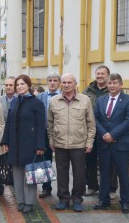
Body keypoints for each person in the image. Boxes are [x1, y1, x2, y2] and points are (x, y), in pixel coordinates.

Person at [48, 73, 95, 212]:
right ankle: (63, 198)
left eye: (70, 82)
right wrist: (51, 140)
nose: (67, 85)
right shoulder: (54, 101)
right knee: (61, 173)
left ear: (75, 84)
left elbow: (91, 124)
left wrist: (89, 142)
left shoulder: (85, 100)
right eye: (64, 82)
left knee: (79, 174)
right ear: (61, 84)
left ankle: (77, 199)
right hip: (60, 143)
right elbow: (50, 123)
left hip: (79, 143)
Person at [0, 75, 45, 214]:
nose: (19, 87)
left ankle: (29, 202)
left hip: (30, 144)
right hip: (14, 143)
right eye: (17, 84)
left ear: (28, 86)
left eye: (22, 84)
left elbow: (41, 126)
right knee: (17, 175)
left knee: (30, 174)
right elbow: (9, 123)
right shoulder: (14, 102)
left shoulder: (36, 103)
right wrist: (5, 140)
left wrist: (40, 146)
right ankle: (20, 200)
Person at [93, 73, 129, 214]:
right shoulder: (101, 100)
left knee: (122, 174)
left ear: (121, 84)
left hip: (121, 144)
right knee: (104, 173)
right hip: (104, 143)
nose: (112, 85)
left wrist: (112, 134)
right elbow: (95, 118)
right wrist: (104, 134)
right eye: (110, 83)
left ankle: (125, 202)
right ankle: (103, 200)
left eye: (115, 83)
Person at [82, 65, 110, 197]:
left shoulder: (111, 89)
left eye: (102, 74)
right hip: (89, 131)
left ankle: (110, 188)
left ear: (107, 75)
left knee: (108, 161)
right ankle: (92, 185)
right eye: (97, 73)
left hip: (106, 131)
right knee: (89, 160)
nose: (99, 76)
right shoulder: (87, 90)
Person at [35, 72, 61, 199]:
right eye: (50, 80)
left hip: (60, 133)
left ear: (59, 83)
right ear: (47, 82)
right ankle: (46, 187)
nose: (52, 83)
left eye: (55, 80)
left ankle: (63, 189)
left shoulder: (63, 96)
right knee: (44, 161)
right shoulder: (40, 97)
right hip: (44, 132)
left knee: (62, 162)